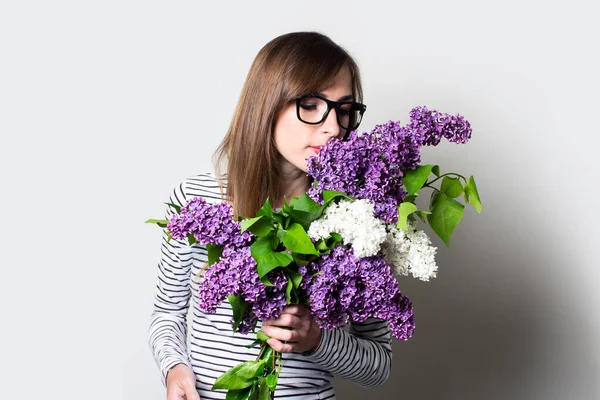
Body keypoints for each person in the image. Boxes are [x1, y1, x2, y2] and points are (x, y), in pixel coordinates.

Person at [149, 31, 392, 400]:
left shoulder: (358, 219)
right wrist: (175, 369)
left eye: (344, 109)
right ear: (268, 104)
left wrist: (316, 340)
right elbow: (167, 314)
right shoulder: (197, 202)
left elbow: (379, 366)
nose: (332, 127)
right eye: (310, 104)